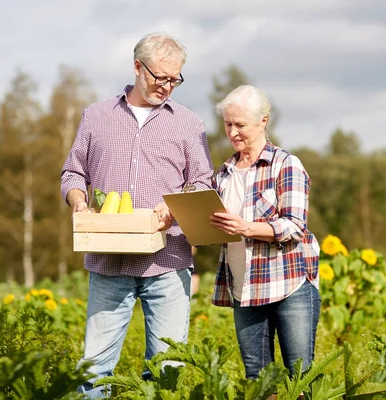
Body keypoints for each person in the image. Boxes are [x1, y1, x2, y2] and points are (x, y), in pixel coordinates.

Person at [60, 32, 213, 398]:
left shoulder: (188, 123)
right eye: (159, 77)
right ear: (137, 66)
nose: (166, 86)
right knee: (94, 369)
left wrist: (174, 204)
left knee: (167, 370)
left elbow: (202, 183)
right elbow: (73, 172)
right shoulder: (96, 116)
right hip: (109, 262)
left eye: (174, 79)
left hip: (169, 262)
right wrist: (79, 202)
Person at [209, 85, 321, 394]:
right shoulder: (225, 173)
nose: (233, 132)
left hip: (289, 285)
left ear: (263, 122)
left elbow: (295, 226)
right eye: (228, 124)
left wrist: (246, 228)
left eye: (240, 125)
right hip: (244, 288)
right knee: (258, 380)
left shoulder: (286, 165)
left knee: (300, 377)